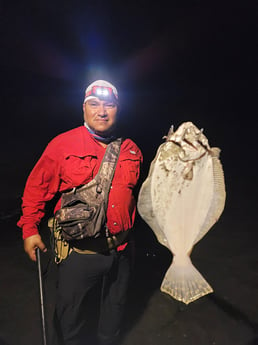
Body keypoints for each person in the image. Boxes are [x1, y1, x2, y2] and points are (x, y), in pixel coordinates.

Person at [17, 79, 143, 345]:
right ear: (83, 108)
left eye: (109, 105)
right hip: (79, 254)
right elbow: (36, 189)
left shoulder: (131, 149)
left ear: (118, 110)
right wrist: (30, 230)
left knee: (114, 315)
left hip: (121, 252)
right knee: (70, 320)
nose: (102, 111)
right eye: (94, 104)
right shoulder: (62, 145)